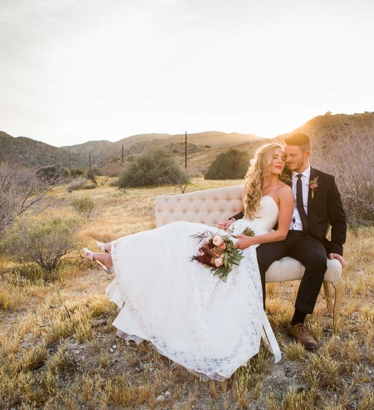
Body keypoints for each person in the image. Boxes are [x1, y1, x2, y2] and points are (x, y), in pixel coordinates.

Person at [84, 143, 293, 381]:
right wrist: (228, 223)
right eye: (275, 157)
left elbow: (282, 233)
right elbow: (241, 215)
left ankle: (115, 256)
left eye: (283, 158)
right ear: (264, 159)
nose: (280, 161)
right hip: (230, 235)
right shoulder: (252, 185)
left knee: (188, 251)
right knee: (180, 232)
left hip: (249, 242)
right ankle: (118, 250)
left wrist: (248, 242)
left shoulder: (284, 191)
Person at [222, 132, 347, 350]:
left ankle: (298, 323)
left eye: (291, 155)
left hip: (308, 238)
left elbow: (338, 218)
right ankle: (257, 321)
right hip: (277, 235)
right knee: (256, 260)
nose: (286, 160)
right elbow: (254, 206)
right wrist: (232, 219)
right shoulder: (280, 174)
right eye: (284, 155)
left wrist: (336, 248)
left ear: (307, 154)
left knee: (318, 260)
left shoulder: (325, 181)